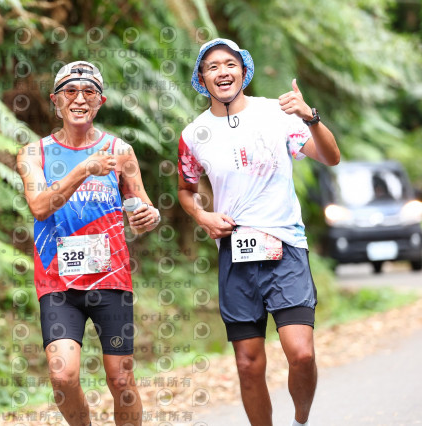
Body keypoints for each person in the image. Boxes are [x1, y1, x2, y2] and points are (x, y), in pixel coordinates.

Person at [177, 38, 340, 426]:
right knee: (248, 364)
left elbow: (331, 157)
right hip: (235, 254)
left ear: (243, 71)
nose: (222, 72)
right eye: (212, 66)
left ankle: (300, 417)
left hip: (286, 247)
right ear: (202, 78)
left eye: (229, 64)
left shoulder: (276, 114)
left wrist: (310, 117)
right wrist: (202, 216)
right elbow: (185, 189)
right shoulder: (194, 134)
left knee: (301, 354)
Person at [17, 61, 160, 426]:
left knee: (121, 380)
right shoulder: (34, 154)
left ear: (100, 102)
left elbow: (141, 205)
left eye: (89, 92)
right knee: (63, 377)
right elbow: (40, 206)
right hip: (57, 283)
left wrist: (148, 216)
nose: (79, 99)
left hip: (111, 279)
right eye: (70, 91)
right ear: (55, 101)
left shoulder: (119, 150)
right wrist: (83, 169)